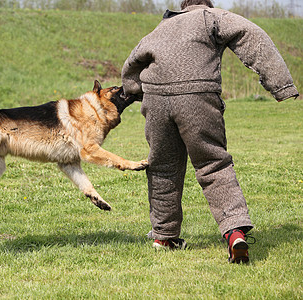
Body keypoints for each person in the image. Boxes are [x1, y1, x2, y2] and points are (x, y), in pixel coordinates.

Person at [121, 0, 299, 263]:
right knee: (212, 164)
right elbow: (251, 34)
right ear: (206, 3)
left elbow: (131, 64)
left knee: (162, 168)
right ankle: (235, 233)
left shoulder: (163, 25)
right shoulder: (211, 16)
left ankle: (164, 237)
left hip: (155, 98)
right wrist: (281, 85)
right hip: (196, 94)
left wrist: (133, 93)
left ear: (183, 5)